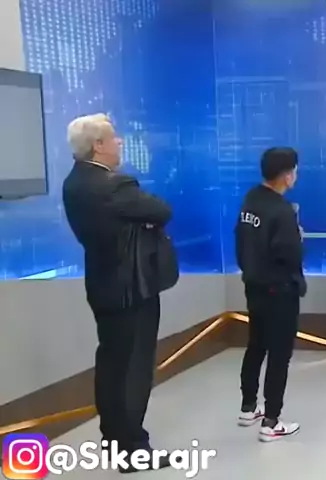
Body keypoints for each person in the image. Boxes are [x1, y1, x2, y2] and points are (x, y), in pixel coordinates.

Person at [62, 113, 173, 471]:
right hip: (132, 290)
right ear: (98, 145)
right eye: (114, 137)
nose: (120, 141)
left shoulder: (74, 182)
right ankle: (133, 449)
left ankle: (114, 441)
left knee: (111, 367)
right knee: (133, 371)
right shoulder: (115, 185)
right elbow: (161, 210)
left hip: (103, 285)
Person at [235, 147, 306, 442]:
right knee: (279, 355)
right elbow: (291, 255)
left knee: (256, 345)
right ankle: (272, 420)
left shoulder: (251, 200)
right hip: (280, 291)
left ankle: (248, 406)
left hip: (254, 287)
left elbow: (243, 243)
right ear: (287, 175)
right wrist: (298, 238)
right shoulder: (282, 211)